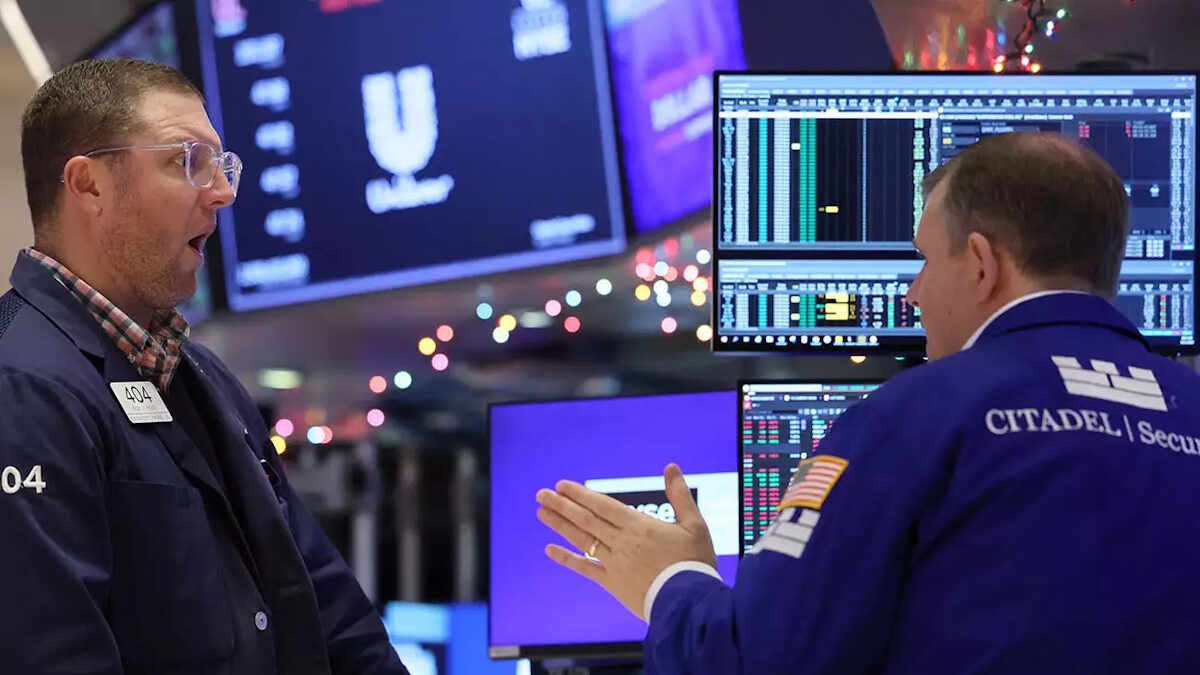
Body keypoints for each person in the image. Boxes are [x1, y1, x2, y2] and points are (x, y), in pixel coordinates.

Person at [537, 131, 1200, 673]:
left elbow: (763, 660)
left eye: (924, 260)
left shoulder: (915, 416)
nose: (914, 293)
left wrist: (670, 582)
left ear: (980, 264)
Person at [0, 59, 408, 674]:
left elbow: (330, 611)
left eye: (221, 164)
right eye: (186, 160)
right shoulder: (22, 384)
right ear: (89, 185)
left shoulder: (206, 378)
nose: (223, 191)